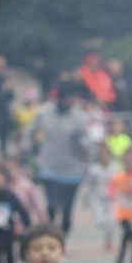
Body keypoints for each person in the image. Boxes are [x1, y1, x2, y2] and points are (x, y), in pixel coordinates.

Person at [31, 80, 92, 236]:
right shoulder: (44, 113)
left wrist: (83, 149)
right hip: (49, 166)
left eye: (71, 99)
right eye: (65, 98)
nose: (68, 102)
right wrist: (31, 152)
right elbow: (30, 133)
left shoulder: (80, 117)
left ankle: (62, 239)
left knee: (66, 208)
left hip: (72, 168)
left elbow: (87, 142)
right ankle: (50, 235)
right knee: (51, 205)